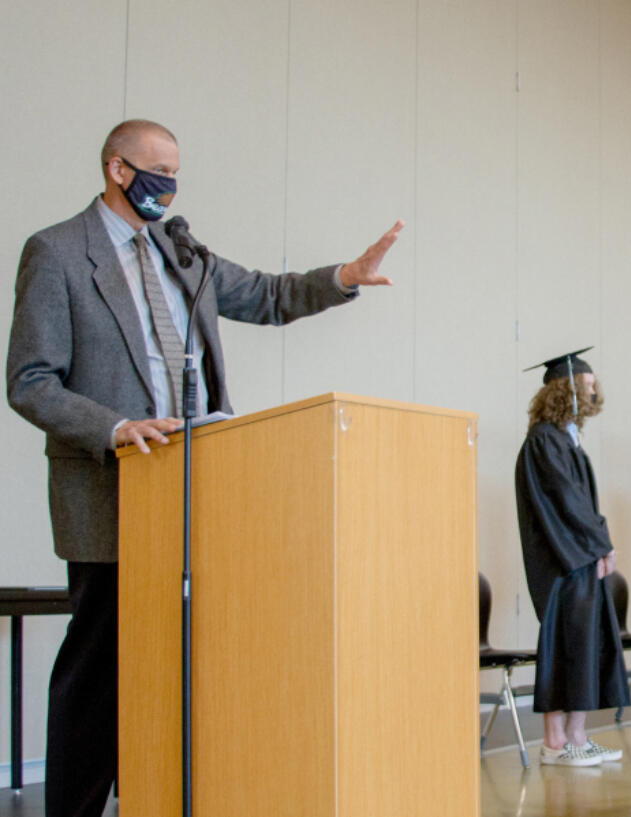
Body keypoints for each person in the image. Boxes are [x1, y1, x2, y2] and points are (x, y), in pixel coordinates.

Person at [5, 119, 401, 817]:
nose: (169, 187)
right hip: (112, 491)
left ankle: (155, 796)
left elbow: (268, 295)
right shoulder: (59, 251)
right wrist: (117, 427)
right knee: (99, 670)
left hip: (196, 490)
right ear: (117, 169)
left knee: (177, 667)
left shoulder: (182, 255)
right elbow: (31, 379)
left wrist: (344, 277)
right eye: (157, 171)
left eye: (177, 174)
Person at [514, 347, 629, 767]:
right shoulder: (544, 441)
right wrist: (601, 544)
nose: (596, 391)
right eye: (588, 385)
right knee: (566, 647)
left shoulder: (563, 438)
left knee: (583, 646)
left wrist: (596, 546)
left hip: (579, 559)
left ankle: (576, 737)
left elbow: (578, 501)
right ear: (566, 389)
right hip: (563, 565)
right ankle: (557, 742)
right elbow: (568, 500)